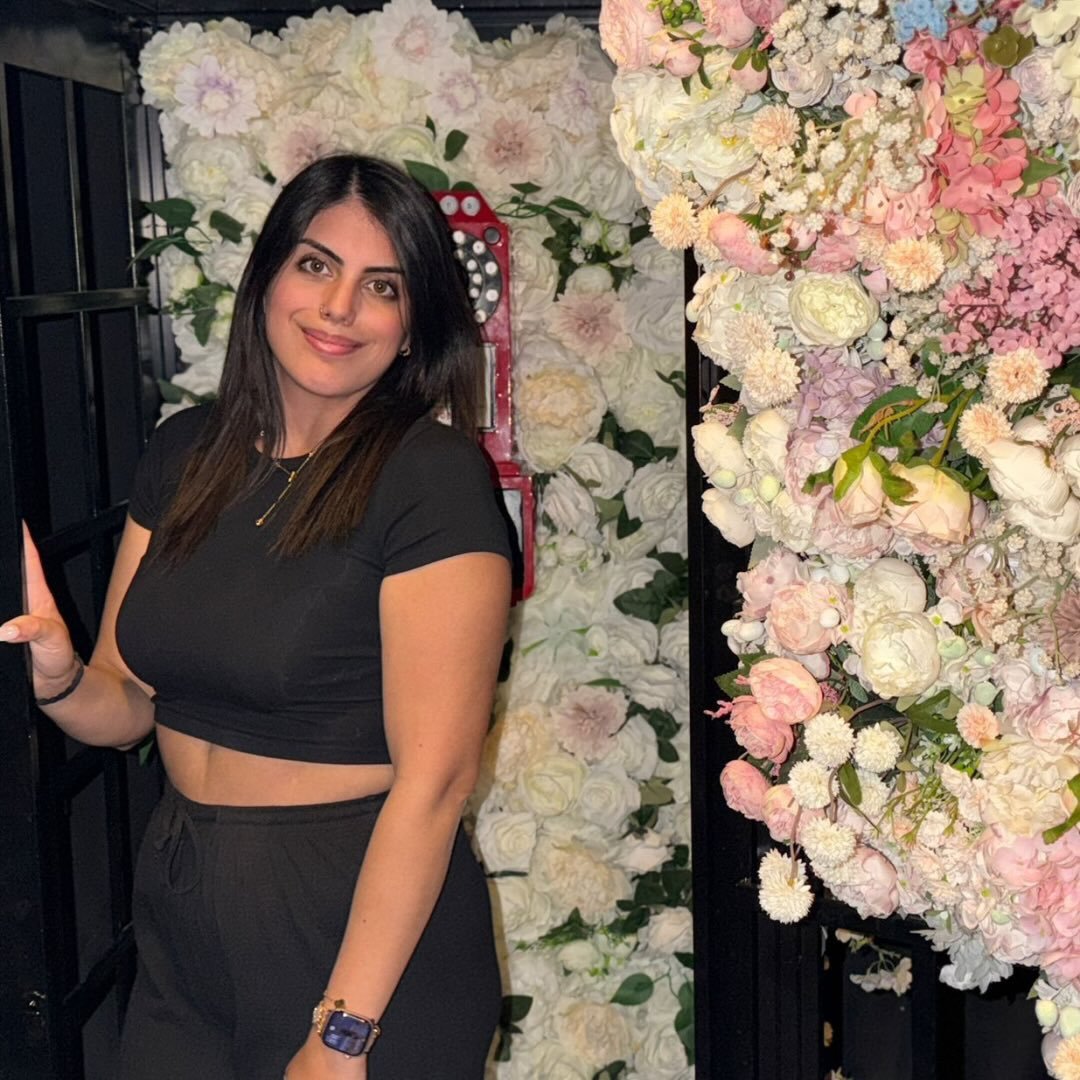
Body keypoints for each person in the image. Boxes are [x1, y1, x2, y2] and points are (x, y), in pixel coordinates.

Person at [1, 154, 513, 1079]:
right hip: (184, 902)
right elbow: (128, 704)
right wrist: (61, 677)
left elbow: (436, 783)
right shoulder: (185, 452)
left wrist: (343, 1033)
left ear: (412, 327)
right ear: (269, 278)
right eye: (316, 265)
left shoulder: (431, 478)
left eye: (382, 286)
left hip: (356, 928)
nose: (339, 308)